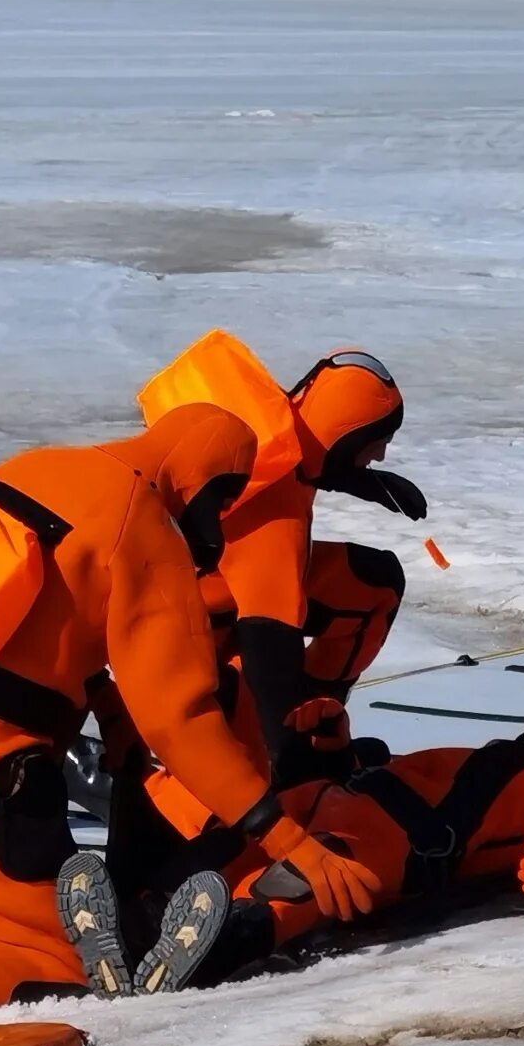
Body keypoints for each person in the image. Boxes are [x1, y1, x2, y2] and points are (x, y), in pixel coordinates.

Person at [0, 401, 383, 1044]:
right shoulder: (146, 529)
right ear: (203, 475)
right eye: (225, 499)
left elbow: (41, 604)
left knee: (28, 902)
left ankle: (87, 904)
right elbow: (183, 721)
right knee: (63, 959)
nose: (220, 524)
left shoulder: (50, 467)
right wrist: (289, 842)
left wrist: (109, 710)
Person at [59, 708, 524, 996]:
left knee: (304, 881)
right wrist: (335, 747)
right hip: (328, 797)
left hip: (394, 844)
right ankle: (138, 924)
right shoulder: (498, 750)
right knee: (229, 842)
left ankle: (219, 942)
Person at [127, 330, 423, 789]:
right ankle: (271, 748)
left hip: (194, 591)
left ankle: (323, 718)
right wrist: (296, 761)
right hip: (190, 627)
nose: (381, 452)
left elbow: (304, 457)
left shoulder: (270, 435)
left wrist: (361, 481)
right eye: (376, 440)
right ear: (344, 440)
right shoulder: (276, 524)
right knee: (264, 678)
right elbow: (270, 641)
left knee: (373, 582)